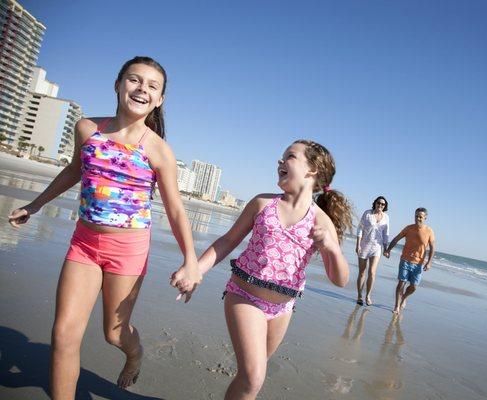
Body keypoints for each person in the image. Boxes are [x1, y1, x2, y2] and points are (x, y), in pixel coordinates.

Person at [8, 56, 198, 398]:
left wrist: (191, 260)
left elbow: (175, 209)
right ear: (118, 84)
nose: (142, 89)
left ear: (160, 99)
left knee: (114, 333)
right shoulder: (87, 128)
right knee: (63, 335)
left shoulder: (158, 150)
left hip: (128, 251)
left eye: (152, 86)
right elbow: (72, 171)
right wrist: (34, 206)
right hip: (84, 243)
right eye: (134, 80)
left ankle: (134, 353)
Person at [171, 140, 352, 400]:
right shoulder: (263, 204)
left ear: (312, 170)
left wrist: (332, 249)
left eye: (289, 156)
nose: (280, 162)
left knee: (250, 378)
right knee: (253, 377)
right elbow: (227, 241)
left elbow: (340, 279)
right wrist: (196, 270)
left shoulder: (321, 221)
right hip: (244, 295)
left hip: (282, 309)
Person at [384, 207, 435, 313]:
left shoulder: (429, 231)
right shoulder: (408, 228)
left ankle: (404, 297)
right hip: (405, 260)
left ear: (425, 217)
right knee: (401, 283)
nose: (418, 218)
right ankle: (396, 306)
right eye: (416, 216)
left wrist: (429, 262)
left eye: (420, 217)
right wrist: (388, 250)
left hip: (418, 264)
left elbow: (432, 248)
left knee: (413, 287)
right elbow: (397, 238)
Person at [355, 196, 390, 306]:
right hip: (364, 246)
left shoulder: (386, 217)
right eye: (379, 203)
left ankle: (368, 295)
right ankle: (360, 295)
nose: (380, 205)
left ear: (385, 206)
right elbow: (360, 228)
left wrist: (386, 249)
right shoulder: (367, 213)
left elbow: (386, 234)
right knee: (362, 272)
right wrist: (358, 244)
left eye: (383, 204)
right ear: (375, 203)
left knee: (372, 272)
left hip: (377, 247)